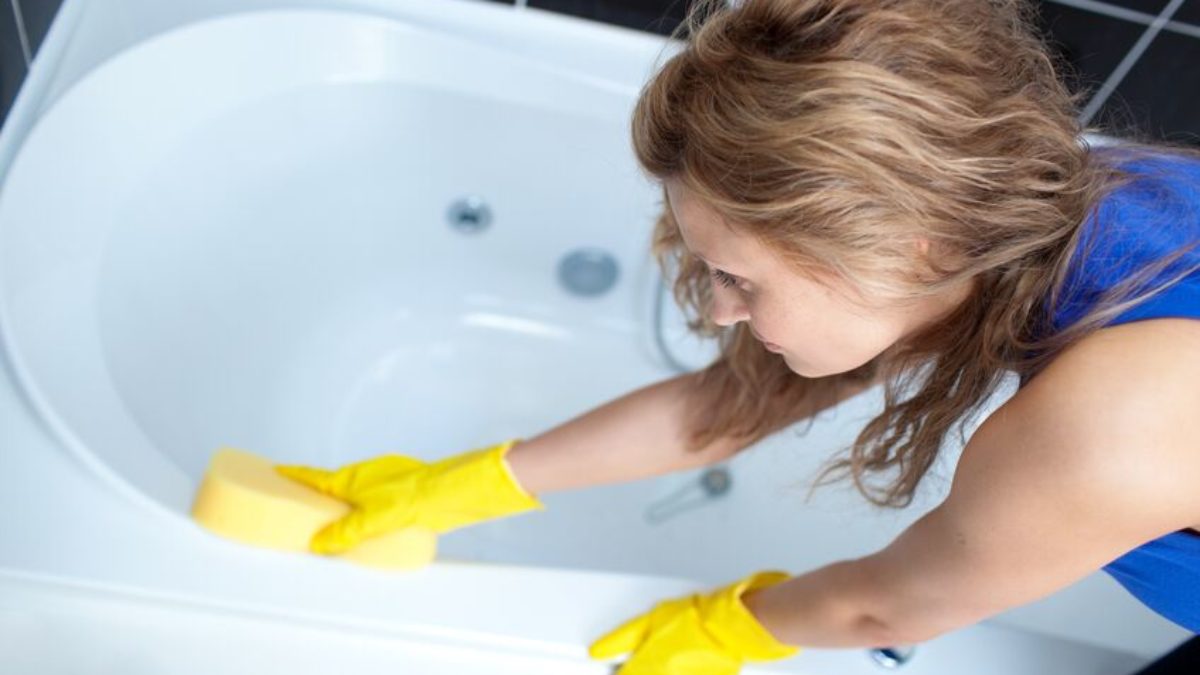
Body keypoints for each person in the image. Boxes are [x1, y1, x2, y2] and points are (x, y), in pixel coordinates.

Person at [274, 0, 1200, 672]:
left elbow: (887, 600)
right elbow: (736, 399)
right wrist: (464, 484)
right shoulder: (1017, 216)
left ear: (899, 246)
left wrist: (729, 623)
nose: (718, 311)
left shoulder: (1115, 422)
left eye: (739, 279)